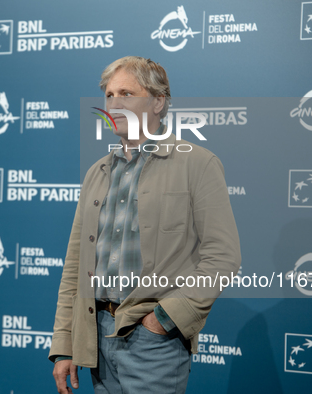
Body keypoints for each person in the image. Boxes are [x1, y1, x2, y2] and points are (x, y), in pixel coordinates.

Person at [50, 56, 241, 394]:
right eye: (109, 95)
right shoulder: (97, 172)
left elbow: (222, 257)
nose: (114, 103)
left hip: (154, 343)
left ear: (158, 101)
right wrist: (66, 343)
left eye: (126, 93)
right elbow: (75, 266)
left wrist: (162, 321)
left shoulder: (197, 164)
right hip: (95, 341)